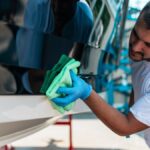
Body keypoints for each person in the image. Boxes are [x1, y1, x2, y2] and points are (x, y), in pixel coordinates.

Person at [51, 2, 150, 147]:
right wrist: (134, 109)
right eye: (135, 34)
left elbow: (125, 126)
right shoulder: (140, 57)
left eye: (148, 45)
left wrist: (86, 92)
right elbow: (138, 82)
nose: (135, 47)